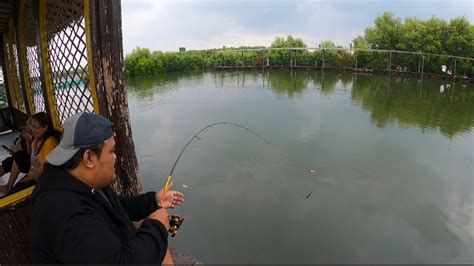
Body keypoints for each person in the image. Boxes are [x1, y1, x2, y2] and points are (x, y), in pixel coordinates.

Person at [31, 112, 184, 264]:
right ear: (89, 158)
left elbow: (116, 206)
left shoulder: (80, 181)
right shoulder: (65, 211)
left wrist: (153, 201)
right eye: (111, 151)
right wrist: (157, 225)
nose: (115, 157)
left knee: (159, 247)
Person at [0, 112, 60, 197]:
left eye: (36, 127)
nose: (33, 130)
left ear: (45, 127)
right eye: (32, 126)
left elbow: (46, 169)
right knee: (16, 157)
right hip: (32, 174)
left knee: (12, 197)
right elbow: (30, 156)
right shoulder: (37, 139)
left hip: (39, 179)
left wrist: (31, 178)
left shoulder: (50, 142)